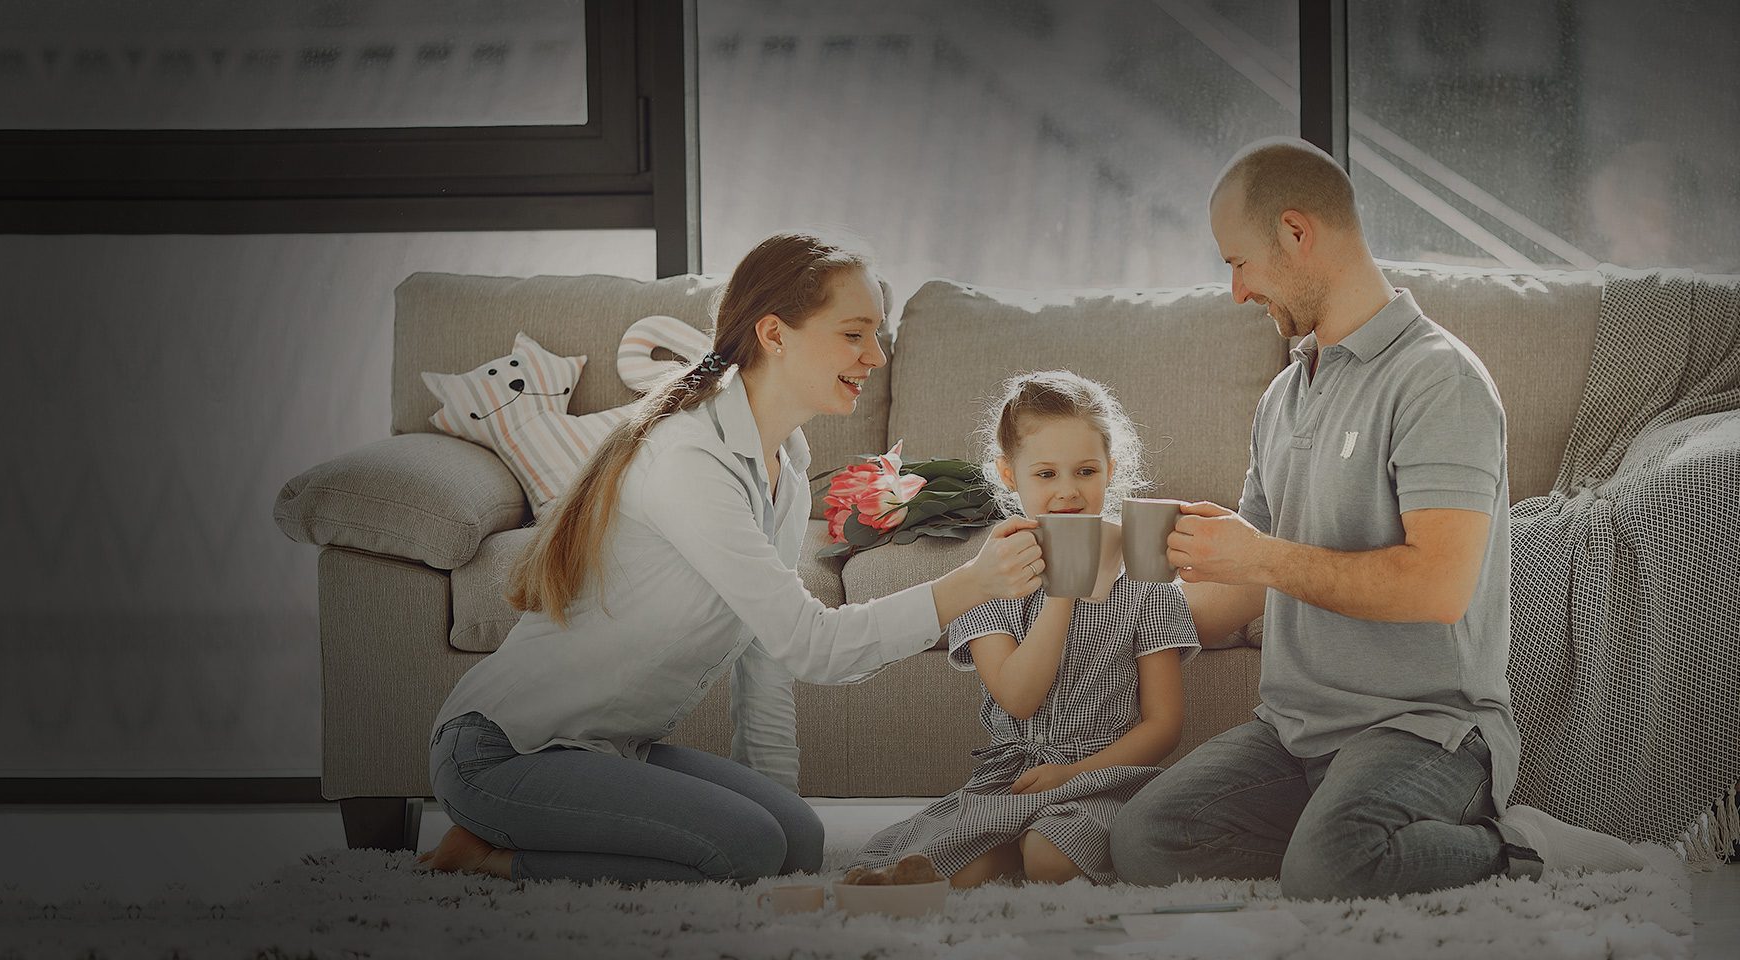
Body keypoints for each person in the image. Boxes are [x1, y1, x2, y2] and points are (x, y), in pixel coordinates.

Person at [415, 232, 1046, 884]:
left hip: (607, 751)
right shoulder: (692, 459)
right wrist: (973, 582)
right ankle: (494, 857)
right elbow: (813, 646)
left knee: (792, 844)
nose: (877, 356)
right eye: (855, 334)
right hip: (503, 751)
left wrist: (772, 818)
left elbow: (766, 665)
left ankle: (572, 832)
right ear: (775, 334)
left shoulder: (784, 471)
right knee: (745, 851)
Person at [1110, 138, 1643, 900]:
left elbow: (1437, 586)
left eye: (1238, 263)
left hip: (1424, 728)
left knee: (1333, 868)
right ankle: (1340, 830)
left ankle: (1523, 846)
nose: (1235, 292)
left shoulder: (1438, 379)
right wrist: (1113, 617)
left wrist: (1259, 556)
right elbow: (1242, 588)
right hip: (1292, 731)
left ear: (1297, 234)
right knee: (1146, 841)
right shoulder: (1285, 394)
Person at [850, 371, 1198, 887]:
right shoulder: (988, 580)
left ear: (1110, 471)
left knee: (1050, 858)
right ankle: (949, 868)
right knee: (956, 856)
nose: (1068, 492)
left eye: (1085, 471)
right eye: (1045, 474)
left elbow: (1163, 724)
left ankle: (1008, 848)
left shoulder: (1146, 584)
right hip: (1013, 776)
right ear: (1009, 475)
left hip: (1105, 777)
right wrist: (1064, 586)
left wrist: (1073, 775)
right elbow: (1018, 698)